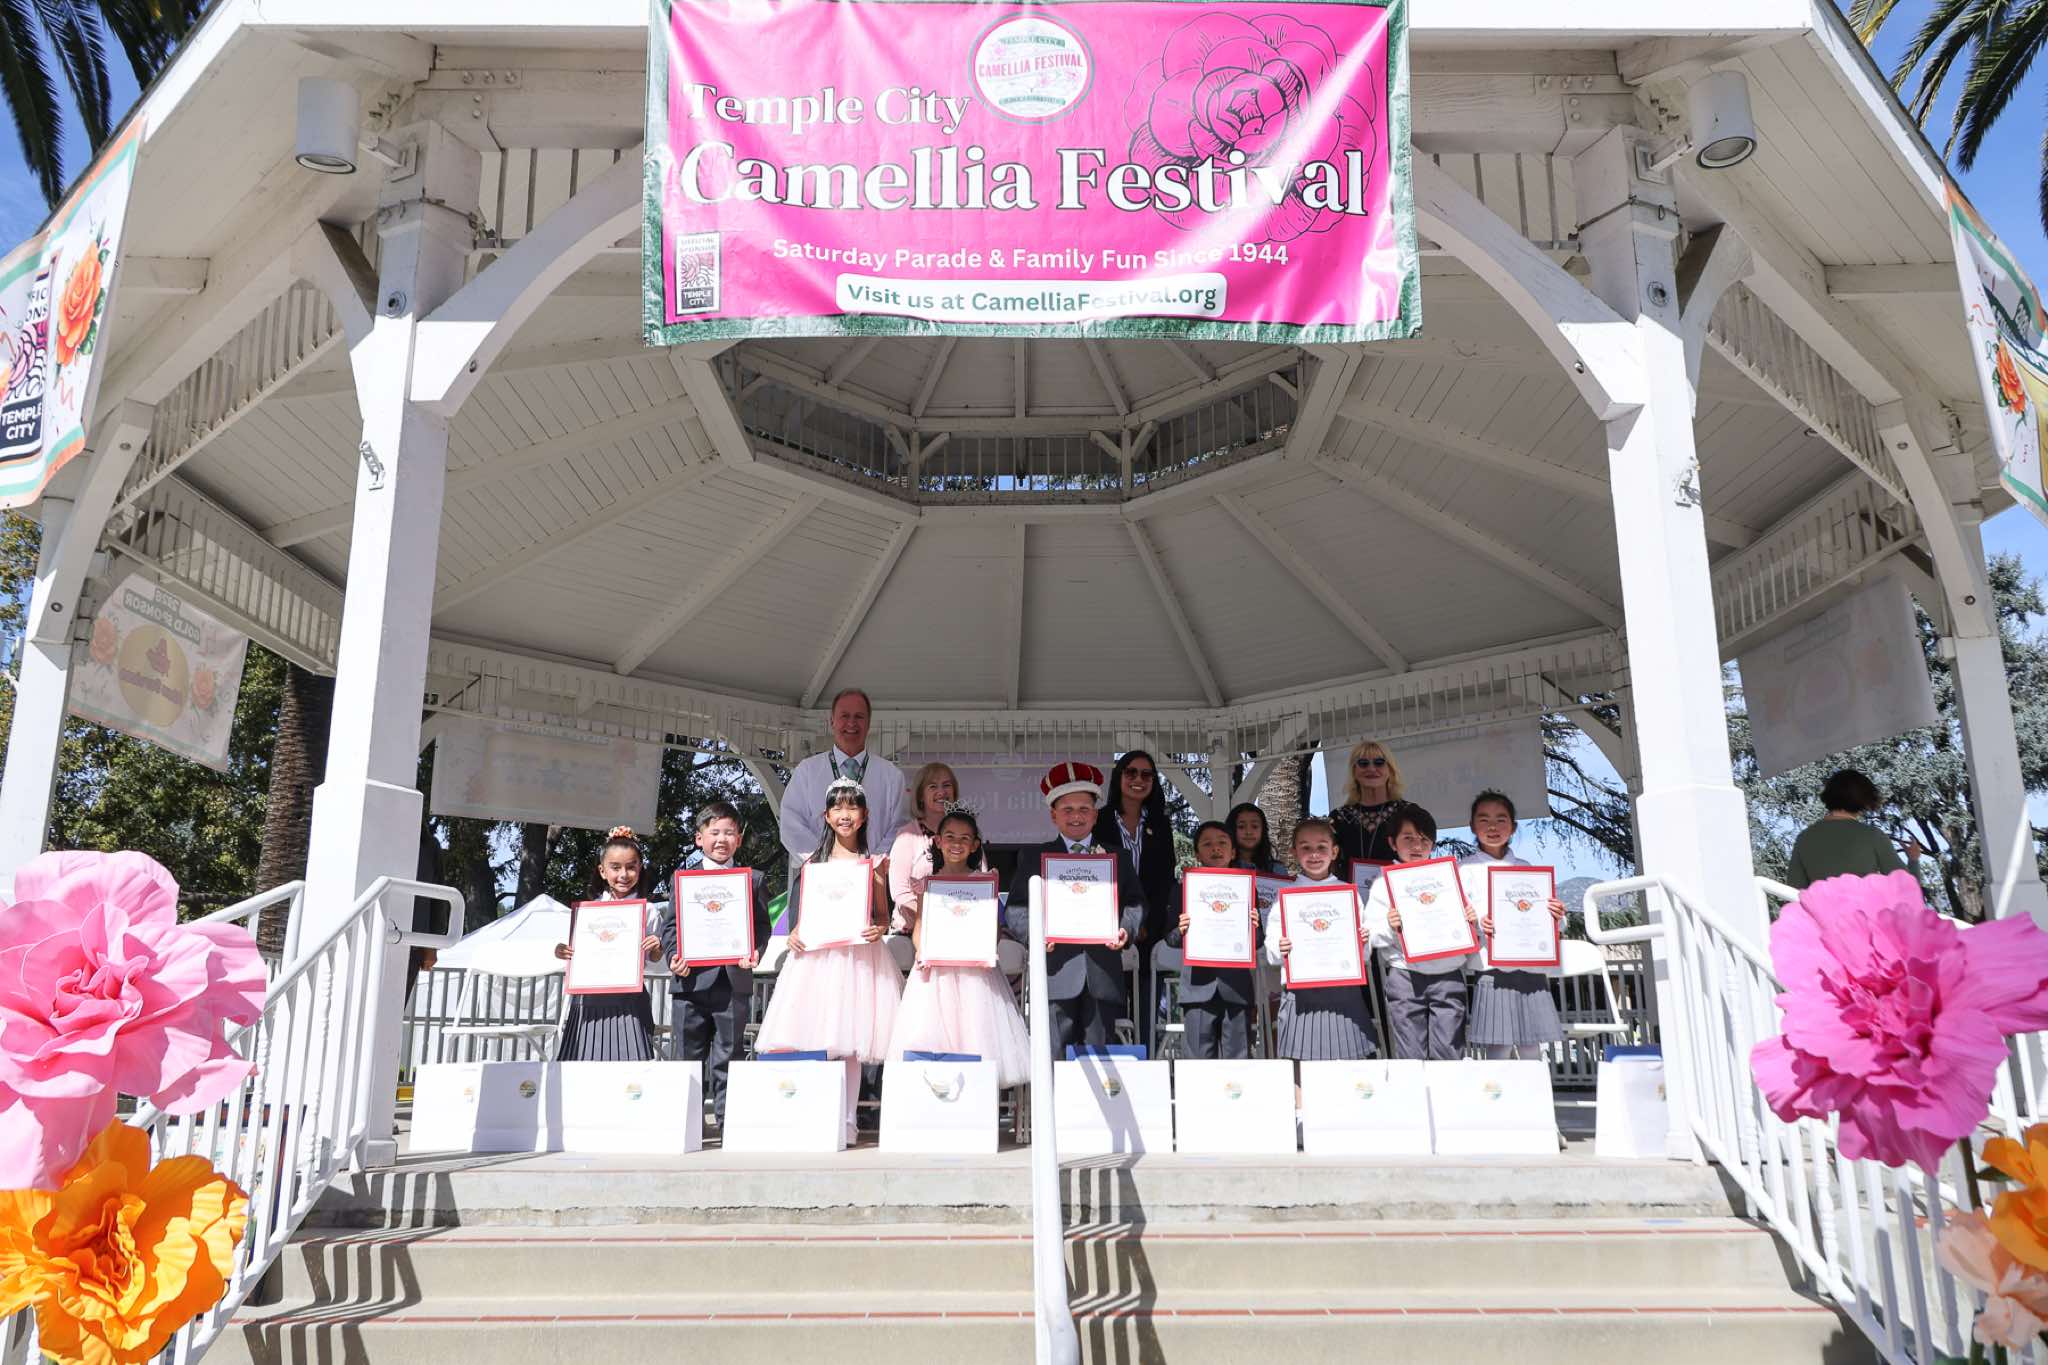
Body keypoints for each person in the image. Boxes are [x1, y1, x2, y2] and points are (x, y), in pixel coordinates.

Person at [755, 776, 902, 1142]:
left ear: (865, 815)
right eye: (837, 807)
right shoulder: (811, 865)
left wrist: (878, 928)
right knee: (816, 1037)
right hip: (817, 962)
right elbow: (799, 917)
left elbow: (882, 916)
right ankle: (816, 1115)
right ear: (826, 816)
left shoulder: (872, 865)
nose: (844, 815)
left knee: (850, 1041)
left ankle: (848, 1120)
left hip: (858, 961)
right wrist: (794, 934)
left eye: (852, 807)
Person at [1004, 761, 1143, 1054]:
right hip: (1055, 974)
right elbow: (1016, 910)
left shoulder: (1117, 857)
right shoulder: (1034, 857)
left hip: (1102, 975)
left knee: (1100, 1062)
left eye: (1083, 809)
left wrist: (1125, 929)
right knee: (1053, 1060)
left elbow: (1136, 903)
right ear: (1053, 816)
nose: (1076, 816)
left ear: (1095, 814)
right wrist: (1036, 935)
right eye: (1067, 810)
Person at [891, 807, 1030, 1085]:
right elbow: (919, 929)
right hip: (935, 974)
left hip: (974, 975)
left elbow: (993, 934)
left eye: (965, 838)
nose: (957, 843)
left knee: (976, 1034)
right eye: (950, 836)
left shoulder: (984, 882)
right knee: (932, 1039)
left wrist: (985, 945)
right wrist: (922, 949)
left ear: (975, 845)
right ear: (938, 841)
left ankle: (976, 1099)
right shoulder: (928, 884)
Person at [661, 801, 774, 1124]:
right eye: (714, 832)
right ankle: (688, 1126)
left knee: (730, 1056)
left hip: (732, 982)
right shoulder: (682, 879)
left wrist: (756, 950)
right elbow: (671, 927)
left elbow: (762, 926)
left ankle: (728, 1125)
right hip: (689, 983)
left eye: (729, 832)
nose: (721, 839)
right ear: (700, 838)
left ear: (739, 839)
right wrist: (674, 956)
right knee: (687, 1058)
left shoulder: (753, 880)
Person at [1364, 804, 1479, 1061]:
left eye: (1424, 839)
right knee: (1411, 1055)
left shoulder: (1451, 879)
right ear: (1392, 843)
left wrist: (1473, 921)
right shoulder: (1383, 885)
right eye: (1408, 838)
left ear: (1433, 844)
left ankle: (1447, 1089)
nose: (1417, 846)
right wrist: (1390, 926)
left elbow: (1474, 923)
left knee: (1449, 1051)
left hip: (1448, 973)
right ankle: (1415, 1089)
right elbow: (1371, 936)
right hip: (1405, 975)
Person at [1458, 791, 1567, 1061]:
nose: (1492, 826)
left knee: (1531, 1044)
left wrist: (1556, 915)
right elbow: (1457, 920)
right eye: (1484, 820)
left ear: (1514, 827)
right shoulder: (1463, 870)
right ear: (1472, 826)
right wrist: (1478, 922)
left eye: (1501, 819)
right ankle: (1500, 1090)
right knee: (1499, 1044)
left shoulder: (1526, 867)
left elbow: (1544, 916)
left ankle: (1536, 1089)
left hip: (1529, 967)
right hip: (1491, 967)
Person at [1265, 817, 1378, 1062]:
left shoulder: (1348, 893)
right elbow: (1272, 944)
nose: (1314, 854)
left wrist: (1362, 942)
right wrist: (1279, 947)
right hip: (1300, 994)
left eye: (1321, 847)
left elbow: (1364, 951)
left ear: (1334, 852)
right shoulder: (1284, 896)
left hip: (1344, 992)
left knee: (1349, 1065)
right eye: (1305, 847)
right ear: (1294, 852)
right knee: (1300, 1066)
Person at [553, 826, 665, 1062]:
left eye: (631, 867)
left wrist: (656, 948)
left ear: (640, 869)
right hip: (588, 999)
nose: (624, 874)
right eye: (615, 867)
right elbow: (574, 954)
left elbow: (655, 964)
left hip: (630, 1000)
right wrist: (562, 951)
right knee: (581, 1066)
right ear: (602, 871)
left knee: (632, 1069)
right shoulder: (587, 912)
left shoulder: (649, 911)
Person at [1095, 750, 1176, 1050]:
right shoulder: (1099, 821)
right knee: (1110, 1014)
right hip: (1108, 932)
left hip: (1149, 934)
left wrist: (1144, 924)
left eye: (1146, 774)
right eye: (1131, 772)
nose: (1138, 779)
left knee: (1146, 1015)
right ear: (1119, 777)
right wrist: (1123, 923)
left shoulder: (1161, 825)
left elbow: (1165, 880)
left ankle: (1147, 1067)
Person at [779, 688, 907, 866]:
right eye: (844, 716)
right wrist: (823, 862)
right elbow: (790, 823)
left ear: (869, 723)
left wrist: (873, 863)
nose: (851, 723)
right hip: (819, 873)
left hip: (873, 873)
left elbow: (899, 827)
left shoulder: (891, 775)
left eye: (859, 716)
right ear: (832, 721)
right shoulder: (807, 771)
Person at [1168, 821, 1259, 1060]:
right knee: (1197, 1062)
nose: (1215, 849)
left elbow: (1258, 940)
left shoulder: (1247, 889)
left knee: (1238, 1061)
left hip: (1236, 988)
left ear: (1233, 852)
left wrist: (1254, 928)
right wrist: (1180, 930)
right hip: (1197, 988)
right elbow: (1170, 938)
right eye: (1207, 844)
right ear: (1197, 853)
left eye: (1222, 843)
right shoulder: (1182, 889)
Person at [1787, 769, 1921, 888]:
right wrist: (1913, 860)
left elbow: (1794, 892)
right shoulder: (1872, 836)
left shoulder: (1804, 838)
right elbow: (1907, 888)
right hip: (1865, 908)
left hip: (1820, 909)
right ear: (1864, 799)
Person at [888, 761, 959, 934]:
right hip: (911, 932)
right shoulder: (907, 835)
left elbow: (980, 879)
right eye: (933, 786)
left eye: (947, 785)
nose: (941, 792)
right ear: (920, 796)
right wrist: (932, 919)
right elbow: (900, 893)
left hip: (958, 928)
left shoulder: (967, 833)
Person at [1329, 740, 1405, 876]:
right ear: (1354, 771)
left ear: (1390, 770)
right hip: (1351, 888)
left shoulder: (1408, 813)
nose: (1371, 768)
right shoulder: (1338, 817)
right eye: (1363, 763)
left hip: (1398, 887)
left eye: (1379, 762)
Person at [1225, 802, 1287, 876]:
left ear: (1263, 830)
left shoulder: (1277, 869)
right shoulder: (1222, 866)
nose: (1248, 832)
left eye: (1254, 826)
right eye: (1241, 827)